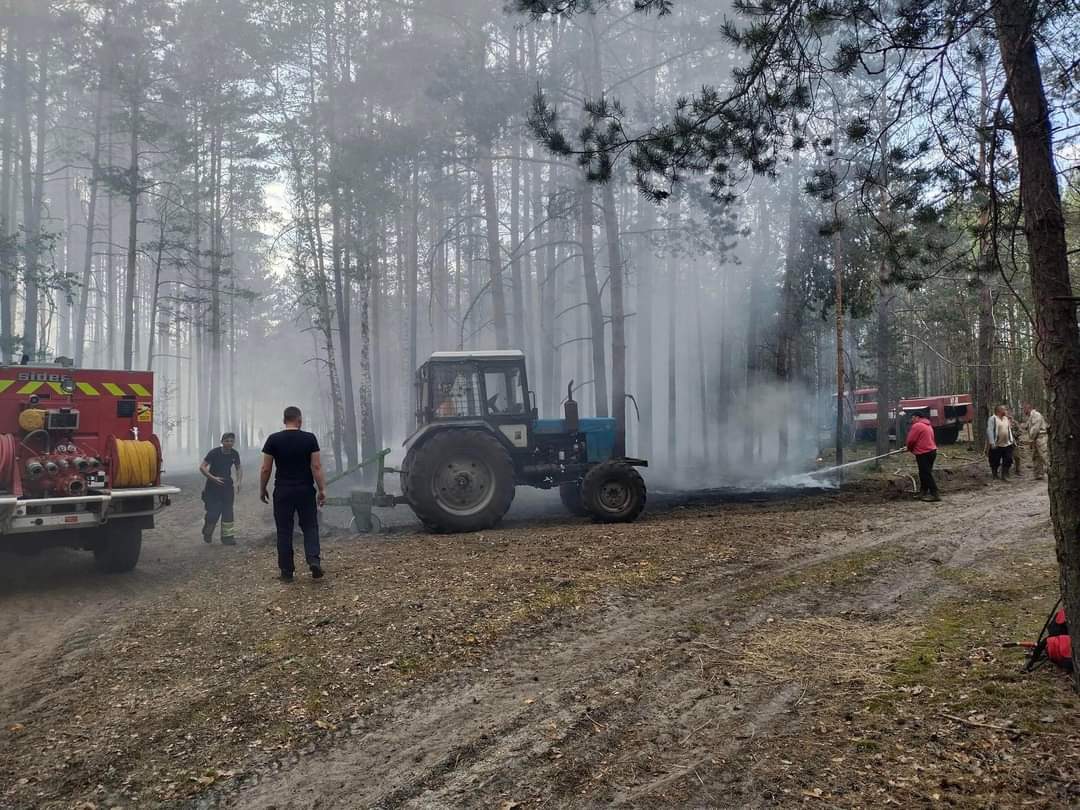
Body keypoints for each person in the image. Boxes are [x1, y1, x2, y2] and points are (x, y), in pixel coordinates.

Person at [260, 406, 327, 581]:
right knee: (310, 526)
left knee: (284, 530)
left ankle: (287, 572)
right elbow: (316, 466)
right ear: (299, 420)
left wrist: (262, 488)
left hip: (283, 491)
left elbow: (266, 468)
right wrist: (321, 490)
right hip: (305, 490)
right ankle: (313, 559)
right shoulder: (309, 438)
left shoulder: (273, 440)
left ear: (284, 420)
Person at [200, 432, 242, 544]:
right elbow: (202, 467)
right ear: (222, 442)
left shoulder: (234, 454)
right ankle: (207, 532)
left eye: (231, 441)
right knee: (213, 512)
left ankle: (228, 538)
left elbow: (238, 468)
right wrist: (213, 478)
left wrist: (238, 482)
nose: (229, 443)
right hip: (212, 487)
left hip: (227, 487)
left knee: (228, 511)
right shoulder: (214, 453)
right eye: (227, 441)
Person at [905, 413, 940, 502]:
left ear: (917, 417)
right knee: (924, 473)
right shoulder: (928, 425)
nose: (911, 420)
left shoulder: (917, 425)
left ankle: (935, 494)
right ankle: (923, 492)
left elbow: (911, 440)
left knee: (925, 473)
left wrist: (909, 448)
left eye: (912, 418)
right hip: (932, 451)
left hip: (923, 452)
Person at [986, 404, 1016, 480]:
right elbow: (989, 431)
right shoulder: (992, 419)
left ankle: (1005, 474)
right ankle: (995, 474)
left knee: (1008, 459)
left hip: (1007, 443)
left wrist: (1012, 440)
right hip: (997, 444)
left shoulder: (1006, 418)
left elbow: (1009, 429)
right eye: (1004, 409)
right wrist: (992, 442)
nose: (1006, 411)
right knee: (995, 460)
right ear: (999, 411)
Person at [1024, 402, 1050, 480]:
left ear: (1029, 408)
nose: (1023, 411)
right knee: (1036, 457)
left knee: (1044, 456)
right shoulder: (1030, 416)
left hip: (1041, 438)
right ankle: (1038, 474)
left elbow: (1035, 428)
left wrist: (1031, 439)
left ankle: (1054, 473)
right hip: (1036, 439)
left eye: (1024, 409)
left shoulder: (1036, 415)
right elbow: (1028, 427)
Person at [1007, 406, 1023, 478]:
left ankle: (1018, 471)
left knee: (1017, 457)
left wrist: (1013, 434)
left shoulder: (1015, 422)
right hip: (1005, 443)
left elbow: (1020, 431)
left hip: (1014, 442)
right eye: (1007, 412)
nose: (1009, 414)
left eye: (1010, 412)